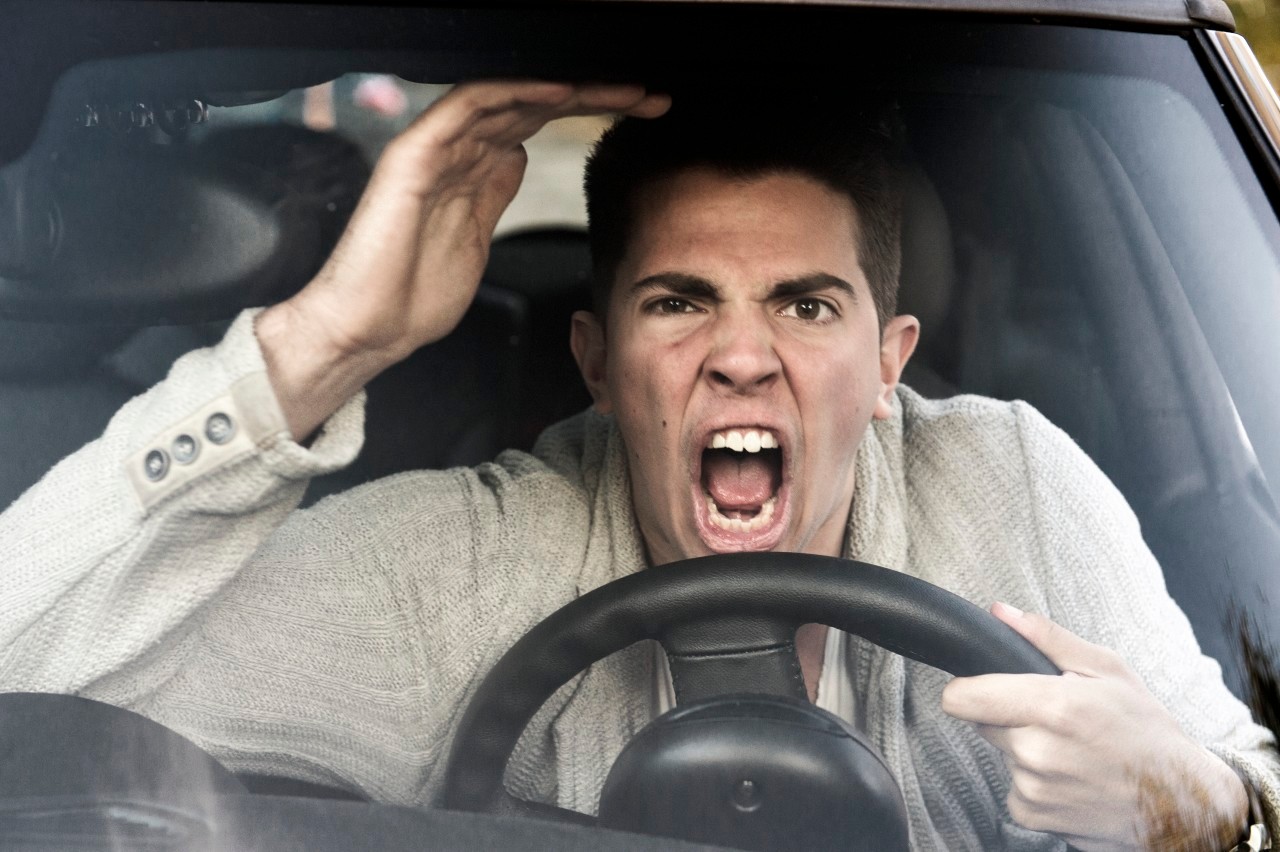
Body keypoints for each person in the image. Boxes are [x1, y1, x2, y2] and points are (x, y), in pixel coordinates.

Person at [0, 80, 1276, 850]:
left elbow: (1253, 789)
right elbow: (27, 683)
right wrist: (325, 344)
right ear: (598, 364)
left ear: (890, 364)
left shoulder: (1015, 489)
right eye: (677, 303)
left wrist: (1195, 808)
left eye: (804, 305)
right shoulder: (460, 564)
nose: (739, 357)